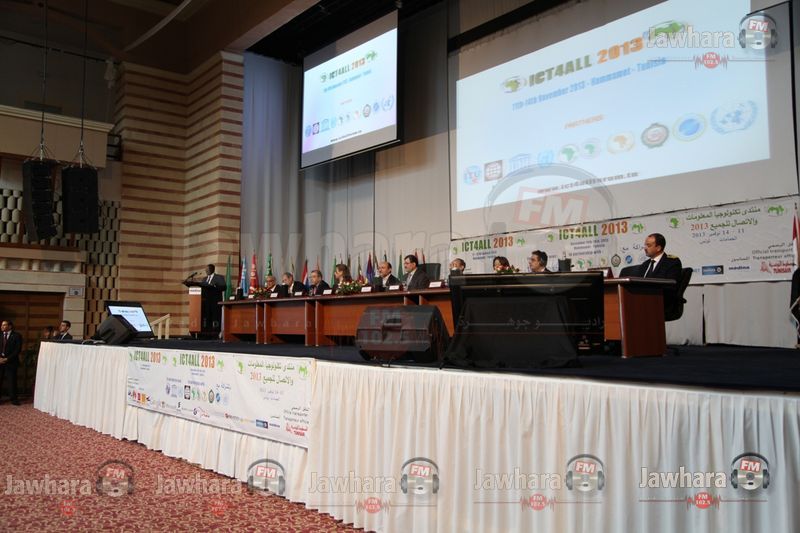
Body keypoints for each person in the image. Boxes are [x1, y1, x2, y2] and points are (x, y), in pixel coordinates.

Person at [637, 233, 682, 313]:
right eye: (645, 245)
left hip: (663, 302)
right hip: (644, 301)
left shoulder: (672, 262)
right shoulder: (645, 265)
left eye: (648, 245)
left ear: (658, 248)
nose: (645, 248)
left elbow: (671, 286)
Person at [0, 320, 22, 405]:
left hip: (11, 362)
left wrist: (7, 359)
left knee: (12, 381)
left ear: (10, 326)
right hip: (0, 361)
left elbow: (17, 350)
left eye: (4, 325)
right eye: (2, 325)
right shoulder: (0, 335)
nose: (2, 326)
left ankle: (14, 399)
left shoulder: (17, 336)